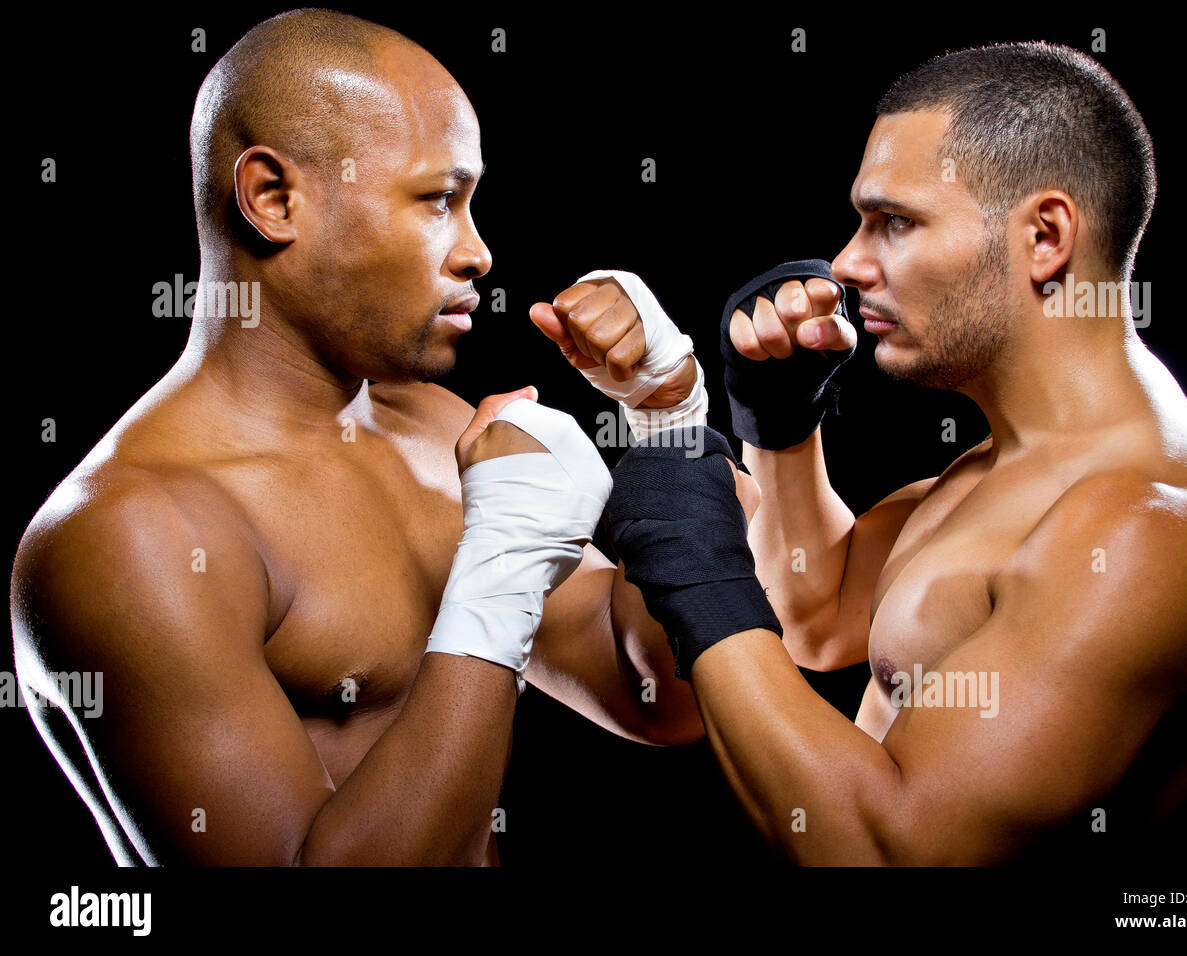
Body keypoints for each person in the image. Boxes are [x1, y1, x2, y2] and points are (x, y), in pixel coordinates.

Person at [8, 9, 705, 866]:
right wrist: (505, 564)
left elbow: (659, 697)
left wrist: (669, 424)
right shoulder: (132, 534)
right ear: (274, 199)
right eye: (439, 201)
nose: (479, 252)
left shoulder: (439, 428)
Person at [592, 42, 1187, 863]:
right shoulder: (1002, 466)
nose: (850, 263)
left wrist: (692, 563)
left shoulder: (1145, 528)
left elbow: (889, 852)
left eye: (896, 222)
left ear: (1044, 237)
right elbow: (816, 621)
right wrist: (781, 429)